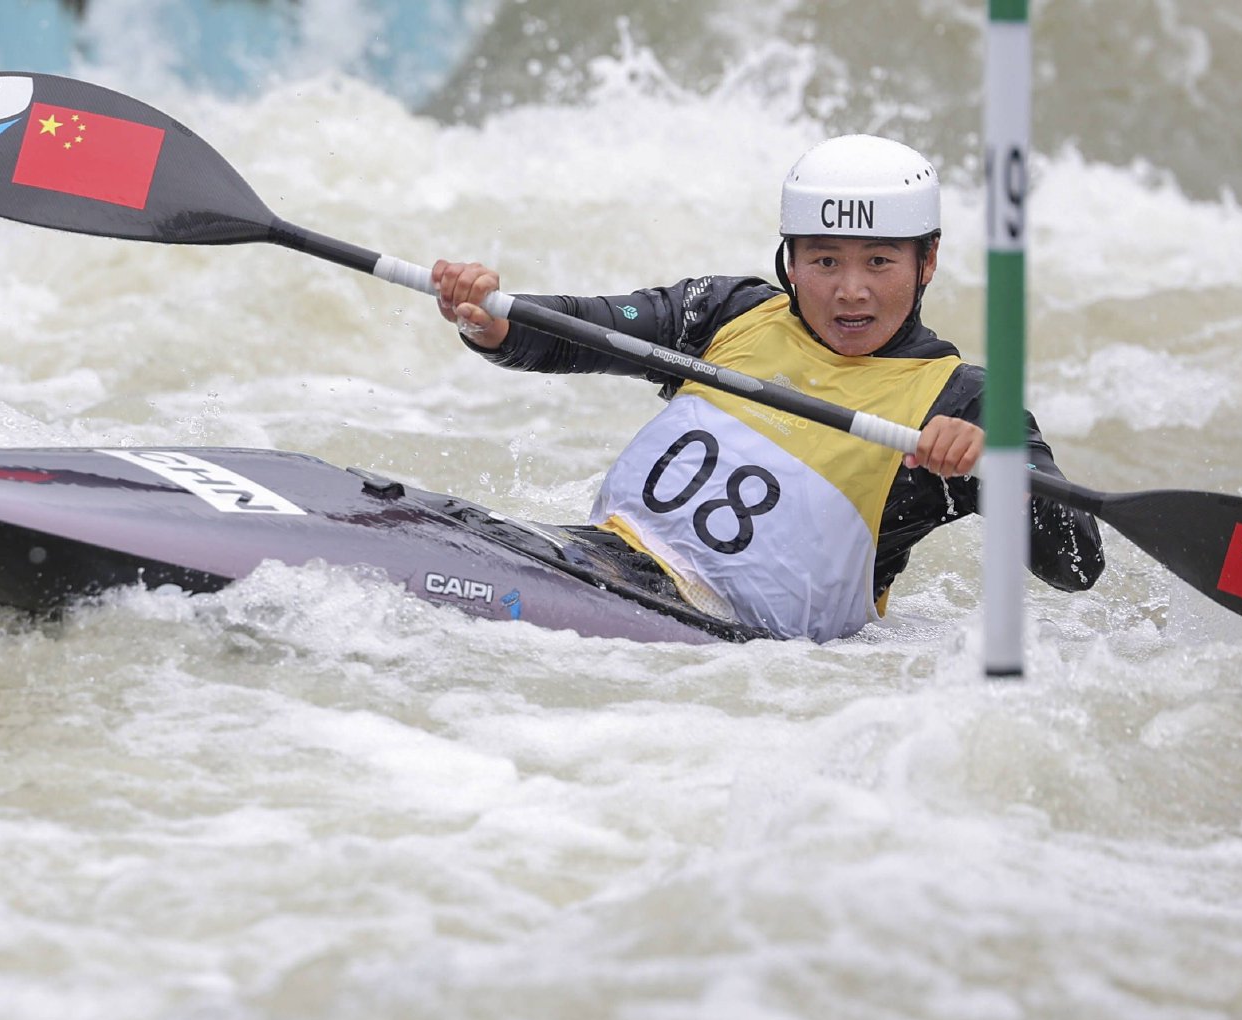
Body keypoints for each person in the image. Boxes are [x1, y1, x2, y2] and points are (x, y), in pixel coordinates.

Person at [430, 134, 1104, 642]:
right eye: (824, 260)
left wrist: (1002, 469)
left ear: (926, 260)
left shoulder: (961, 402)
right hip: (595, 564)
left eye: (879, 261)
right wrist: (492, 320)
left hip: (731, 651)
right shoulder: (729, 313)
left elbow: (1076, 563)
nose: (850, 290)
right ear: (789, 260)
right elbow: (579, 330)